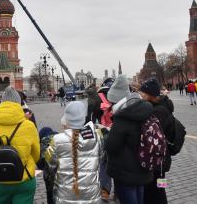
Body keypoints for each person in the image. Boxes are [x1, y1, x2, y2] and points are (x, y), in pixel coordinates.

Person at [0, 86, 40, 204]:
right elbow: (36, 154)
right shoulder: (29, 126)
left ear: (2, 102)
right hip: (24, 178)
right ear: (19, 103)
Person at [105, 76, 154, 204]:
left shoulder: (122, 117)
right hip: (142, 166)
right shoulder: (143, 110)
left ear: (117, 100)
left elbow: (111, 146)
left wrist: (106, 136)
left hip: (126, 171)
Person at [46, 101, 103, 204]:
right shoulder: (97, 137)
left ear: (66, 119)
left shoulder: (57, 140)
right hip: (91, 195)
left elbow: (50, 165)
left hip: (64, 196)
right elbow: (101, 158)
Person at [139, 78, 175, 204]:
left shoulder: (154, 112)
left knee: (154, 190)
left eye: (142, 92)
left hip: (156, 160)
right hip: (163, 160)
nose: (140, 95)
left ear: (149, 94)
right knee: (160, 188)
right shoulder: (163, 108)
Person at [37, 127, 58, 204]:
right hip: (62, 176)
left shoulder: (42, 145)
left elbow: (39, 165)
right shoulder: (59, 141)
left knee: (50, 195)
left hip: (49, 177)